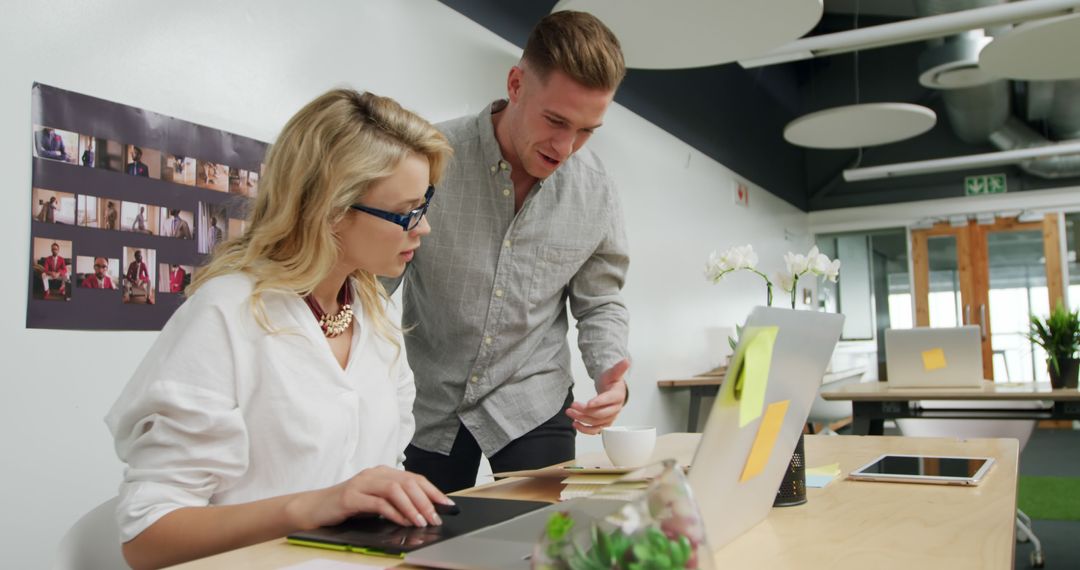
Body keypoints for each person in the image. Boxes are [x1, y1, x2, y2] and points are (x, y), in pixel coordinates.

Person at [105, 88, 453, 570]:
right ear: (330, 211)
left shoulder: (378, 314)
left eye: (426, 203)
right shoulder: (227, 314)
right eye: (407, 211)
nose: (424, 228)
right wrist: (312, 507)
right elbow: (147, 538)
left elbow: (379, 475)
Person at [388, 11, 631, 493]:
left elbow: (600, 300)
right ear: (516, 84)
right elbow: (369, 286)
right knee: (423, 546)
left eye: (586, 130)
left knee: (541, 548)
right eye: (556, 120)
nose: (566, 147)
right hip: (430, 398)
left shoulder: (597, 190)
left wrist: (611, 377)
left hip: (533, 396)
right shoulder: (429, 161)